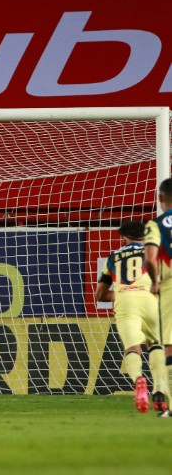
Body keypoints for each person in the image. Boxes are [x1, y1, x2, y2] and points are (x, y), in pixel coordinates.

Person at [96, 221, 168, 413]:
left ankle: (138, 379)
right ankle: (159, 391)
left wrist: (124, 292)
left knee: (133, 348)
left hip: (125, 302)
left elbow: (100, 295)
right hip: (150, 300)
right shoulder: (155, 253)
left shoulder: (113, 258)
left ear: (124, 237)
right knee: (156, 344)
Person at [143, 177, 172, 416]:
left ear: (161, 198)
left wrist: (154, 282)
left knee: (169, 347)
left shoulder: (156, 224)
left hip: (169, 288)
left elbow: (150, 257)